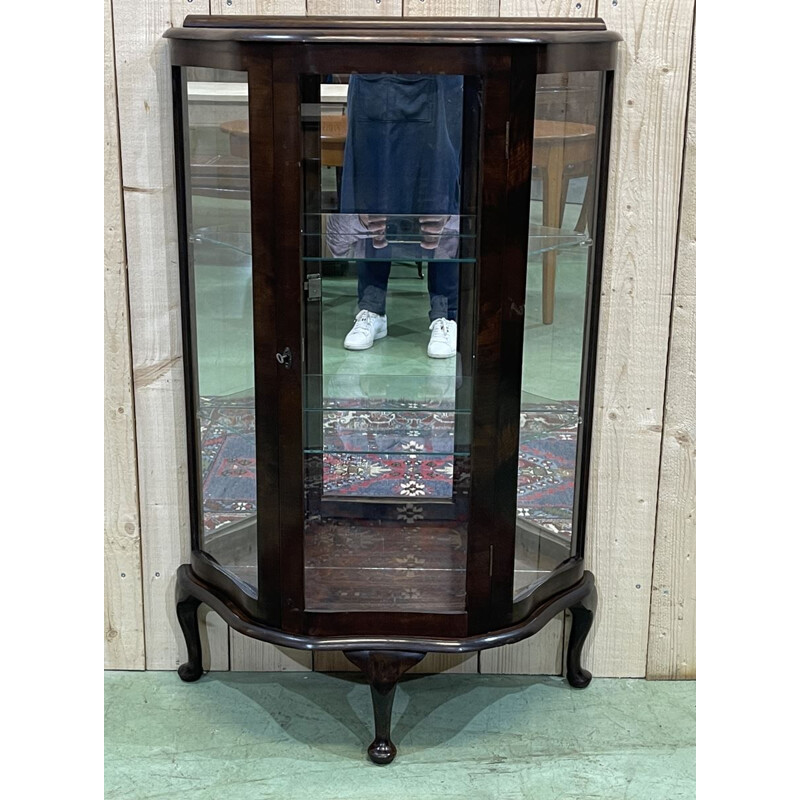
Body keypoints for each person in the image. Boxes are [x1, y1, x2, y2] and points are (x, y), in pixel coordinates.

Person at [331, 73, 464, 358]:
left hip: (440, 66)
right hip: (374, 70)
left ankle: (446, 314)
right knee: (371, 193)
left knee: (439, 193)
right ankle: (371, 307)